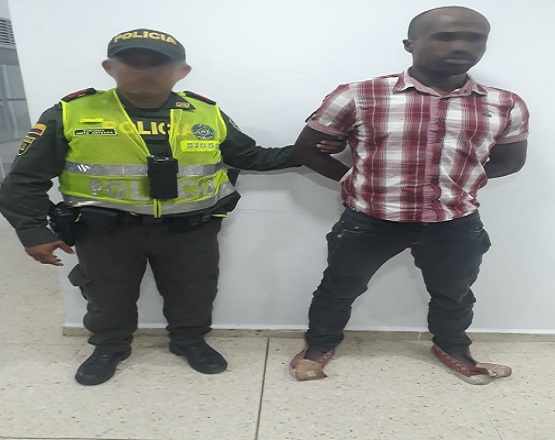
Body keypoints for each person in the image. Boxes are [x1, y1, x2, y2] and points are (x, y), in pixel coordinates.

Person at [0, 28, 341, 386]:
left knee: (194, 294)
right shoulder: (70, 113)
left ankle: (189, 342)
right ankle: (109, 348)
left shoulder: (206, 113)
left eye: (158, 63)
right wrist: (32, 231)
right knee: (107, 297)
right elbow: (22, 180)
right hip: (105, 234)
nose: (145, 71)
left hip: (190, 232)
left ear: (182, 71)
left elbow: (250, 156)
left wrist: (308, 151)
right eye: (132, 62)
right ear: (109, 67)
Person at [290, 6, 529, 385]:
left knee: (455, 294)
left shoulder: (505, 103)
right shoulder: (359, 95)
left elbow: (510, 161)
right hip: (370, 220)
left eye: (475, 38)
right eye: (445, 36)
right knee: (338, 288)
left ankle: (453, 347)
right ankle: (318, 346)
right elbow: (307, 151)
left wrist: (456, 181)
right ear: (409, 44)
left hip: (455, 222)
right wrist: (357, 178)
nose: (461, 46)